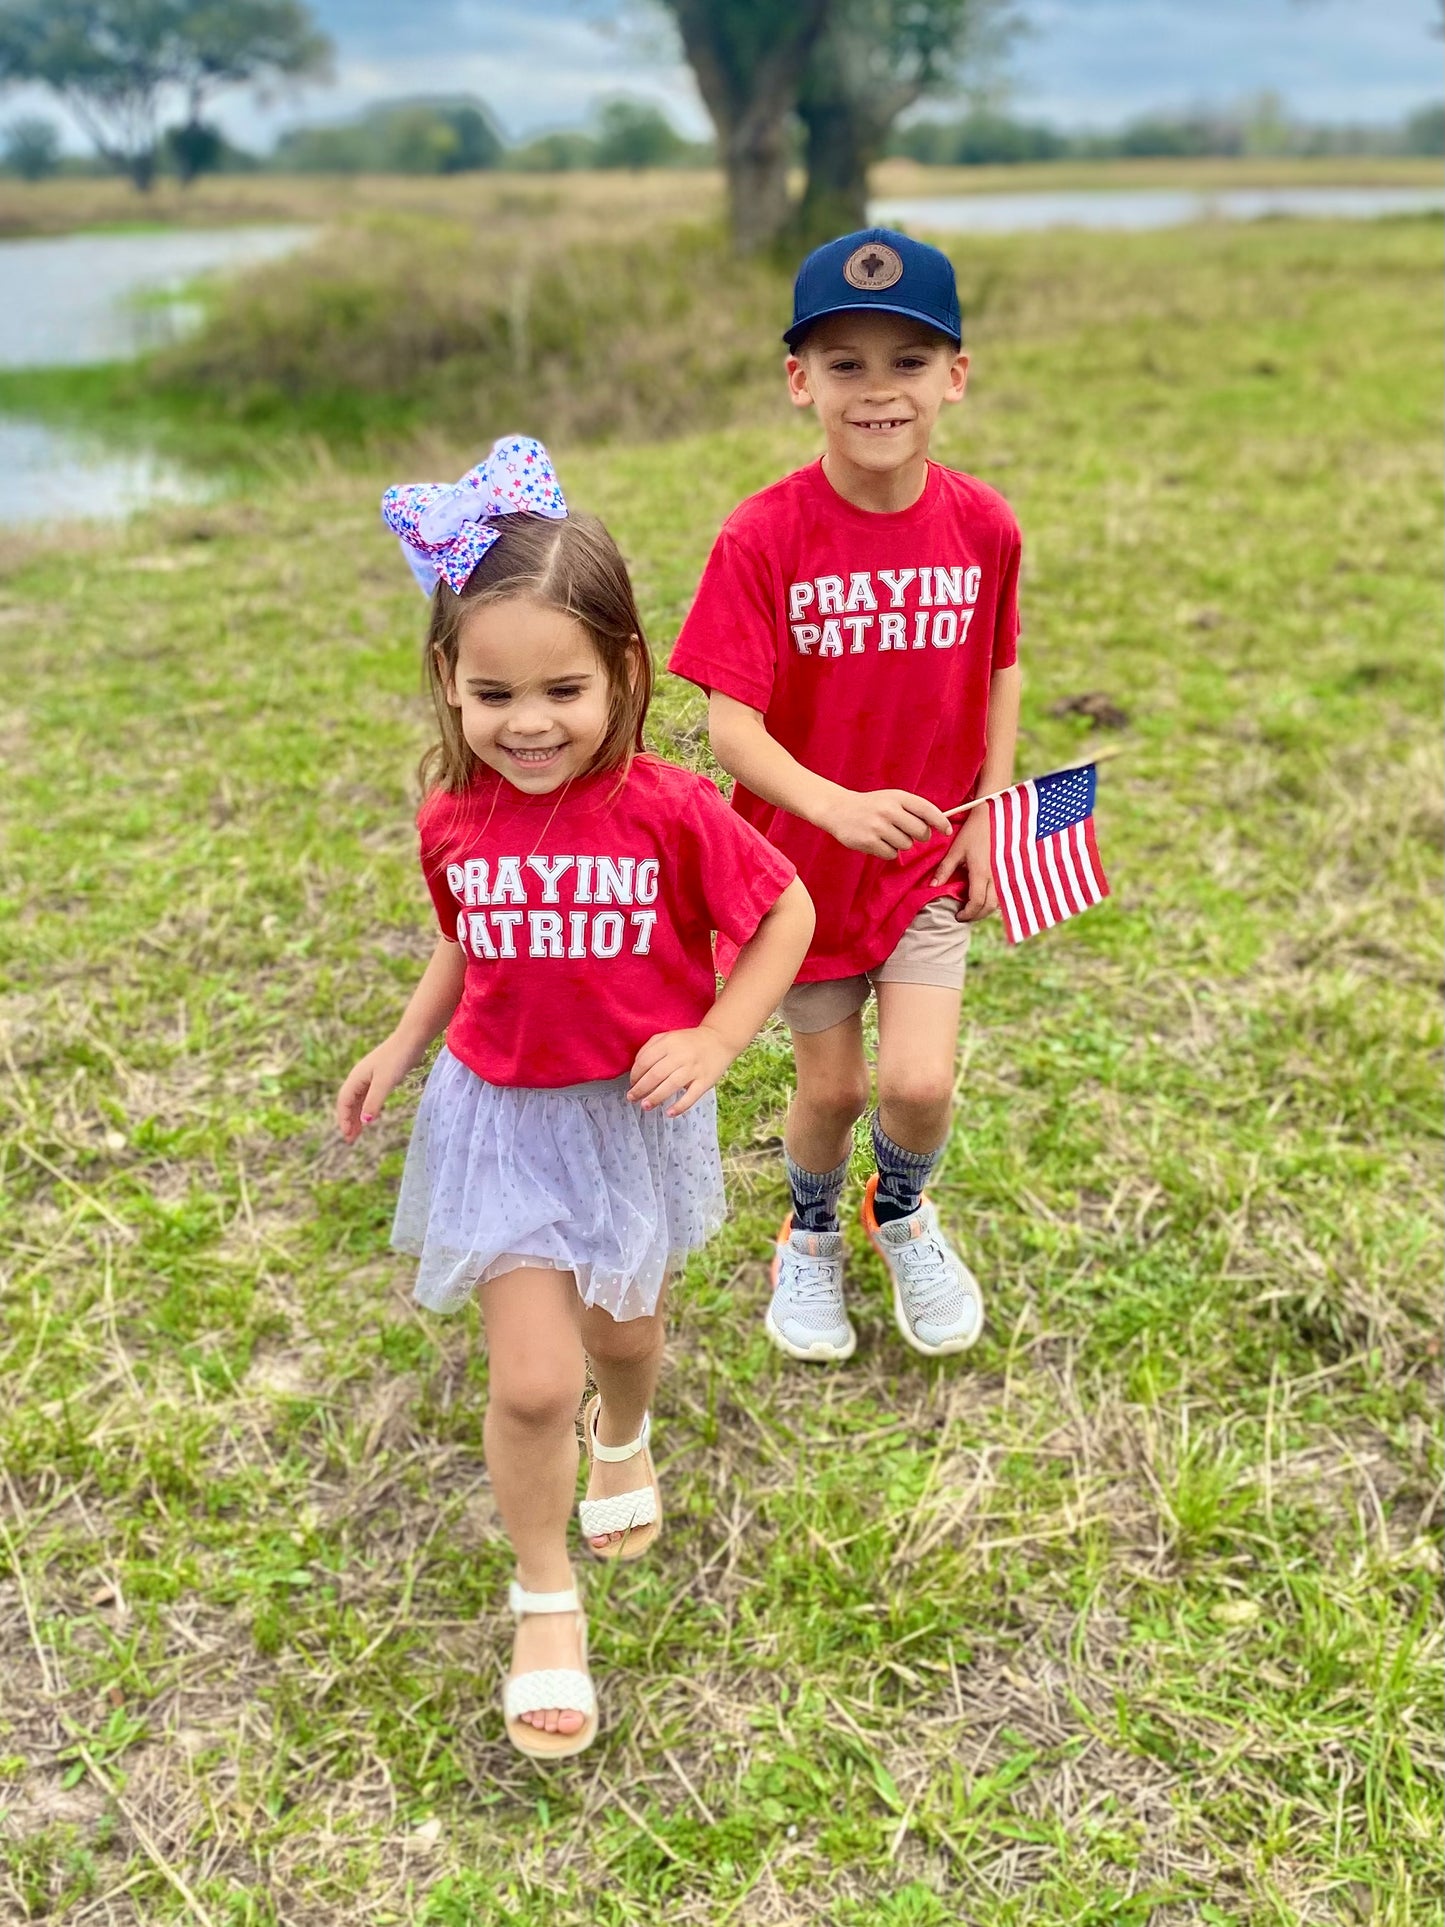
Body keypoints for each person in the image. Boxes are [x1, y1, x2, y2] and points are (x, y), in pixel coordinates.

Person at [336, 438, 813, 1760]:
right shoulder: (453, 815)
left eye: (563, 687)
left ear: (624, 669)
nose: (528, 721)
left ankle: (632, 1427)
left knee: (621, 1336)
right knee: (532, 1379)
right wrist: (398, 1041)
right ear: (448, 680)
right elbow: (461, 938)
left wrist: (719, 1035)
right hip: (497, 1116)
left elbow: (786, 910)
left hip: (625, 1118)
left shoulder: (667, 809)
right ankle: (544, 1593)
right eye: (493, 691)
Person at [668, 229, 1022, 1367]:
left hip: (922, 860)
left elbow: (999, 665)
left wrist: (989, 812)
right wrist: (832, 806)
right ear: (798, 381)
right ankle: (810, 1226)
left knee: (917, 1083)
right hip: (799, 879)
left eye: (908, 362)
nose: (878, 390)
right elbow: (730, 727)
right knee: (831, 1089)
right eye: (845, 363)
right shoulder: (760, 536)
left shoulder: (983, 526)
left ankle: (899, 1207)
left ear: (953, 376)